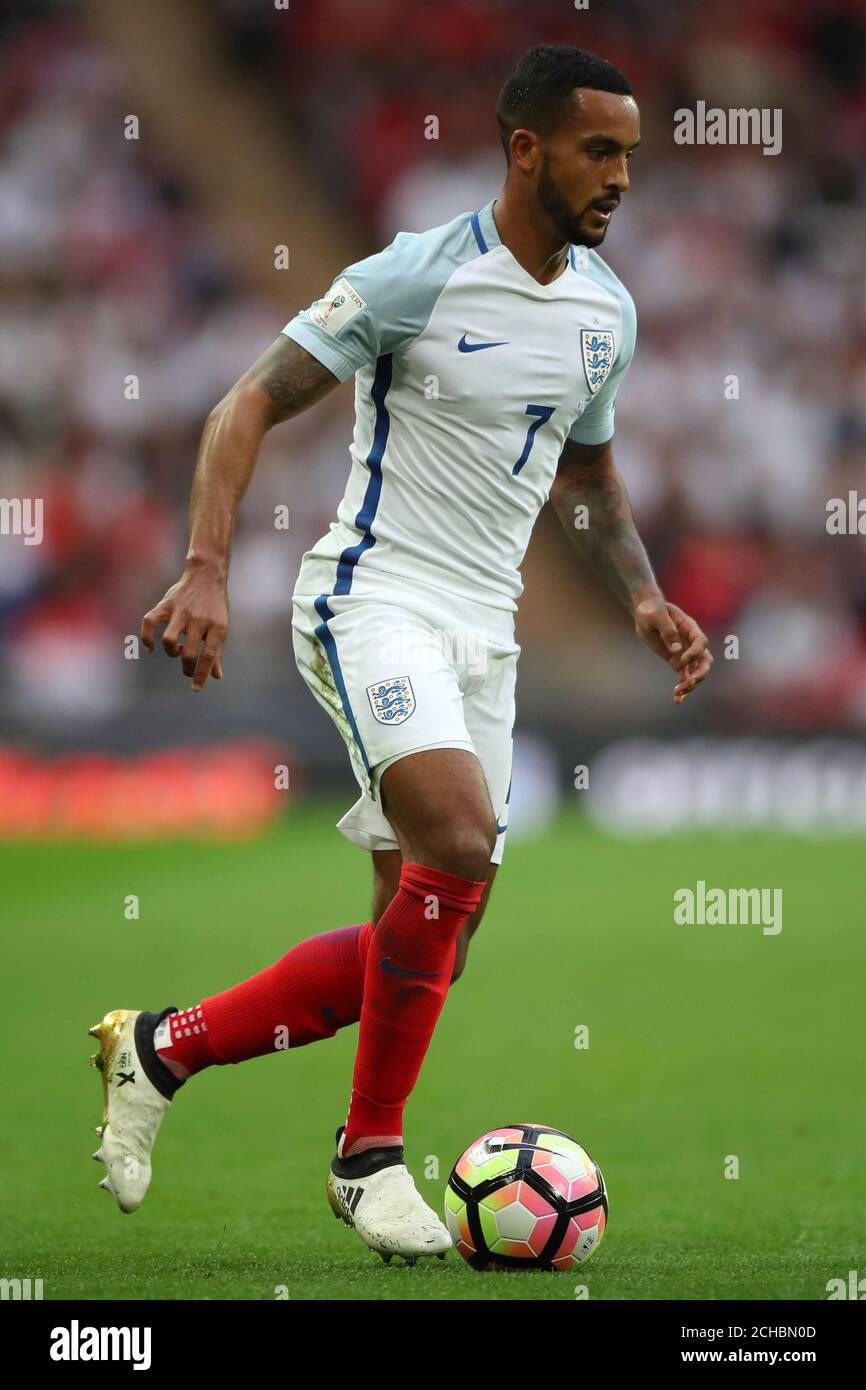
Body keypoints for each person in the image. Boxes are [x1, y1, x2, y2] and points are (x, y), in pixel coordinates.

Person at [88, 44, 712, 1264]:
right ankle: (368, 1155)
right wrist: (207, 562)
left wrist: (641, 594)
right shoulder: (415, 276)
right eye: (599, 149)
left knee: (427, 944)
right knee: (461, 841)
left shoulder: (606, 312)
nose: (621, 176)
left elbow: (582, 471)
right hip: (373, 597)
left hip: (486, 630)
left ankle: (162, 1046)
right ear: (525, 147)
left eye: (630, 153)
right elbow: (246, 402)